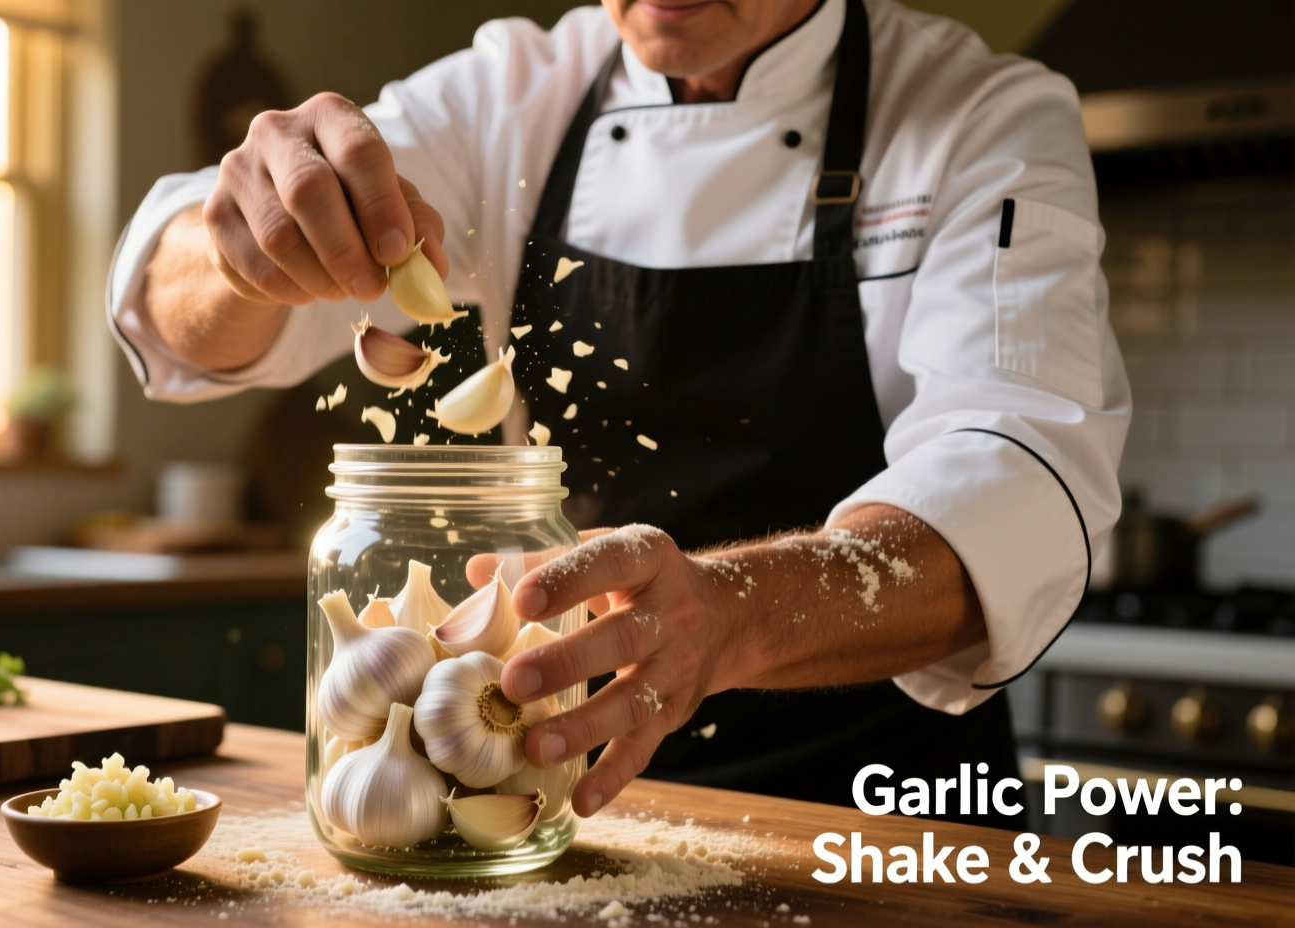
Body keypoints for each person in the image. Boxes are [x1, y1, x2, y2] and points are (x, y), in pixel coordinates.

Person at [109, 0, 1129, 826]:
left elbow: (1015, 472)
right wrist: (242, 244)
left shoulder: (981, 112)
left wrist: (724, 615)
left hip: (880, 815)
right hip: (544, 788)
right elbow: (169, 308)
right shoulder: (507, 94)